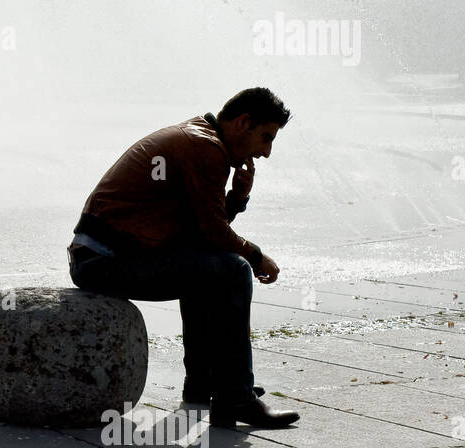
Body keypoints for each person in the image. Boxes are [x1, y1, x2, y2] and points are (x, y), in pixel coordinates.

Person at [68, 87, 298, 429]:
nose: (265, 153)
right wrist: (256, 256)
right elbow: (211, 233)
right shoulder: (205, 147)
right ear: (242, 122)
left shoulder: (200, 138)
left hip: (97, 258)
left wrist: (236, 198)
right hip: (104, 261)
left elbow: (200, 233)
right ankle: (235, 397)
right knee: (233, 270)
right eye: (265, 138)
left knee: (208, 268)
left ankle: (204, 388)